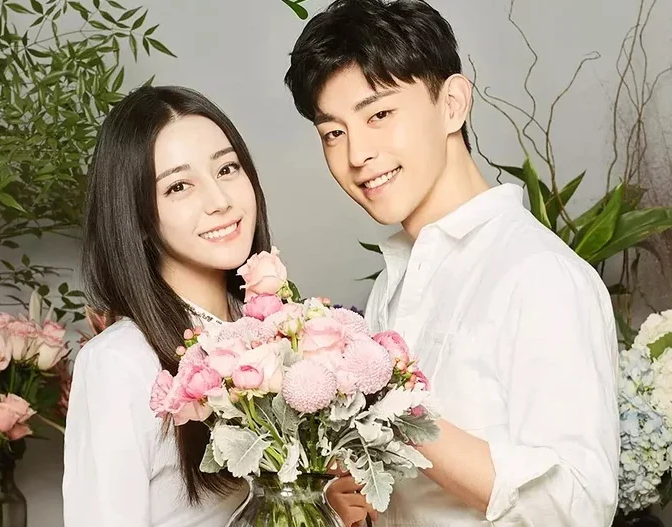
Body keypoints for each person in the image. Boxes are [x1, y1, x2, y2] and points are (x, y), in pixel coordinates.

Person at [284, 1, 620, 525]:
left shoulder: (539, 276)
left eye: (379, 115)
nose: (356, 155)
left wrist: (393, 404)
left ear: (452, 105)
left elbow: (577, 506)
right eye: (334, 132)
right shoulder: (394, 283)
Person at [62, 85, 371, 527]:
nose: (220, 201)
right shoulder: (119, 362)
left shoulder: (281, 337)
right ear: (138, 217)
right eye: (179, 186)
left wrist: (314, 504)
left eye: (227, 168)